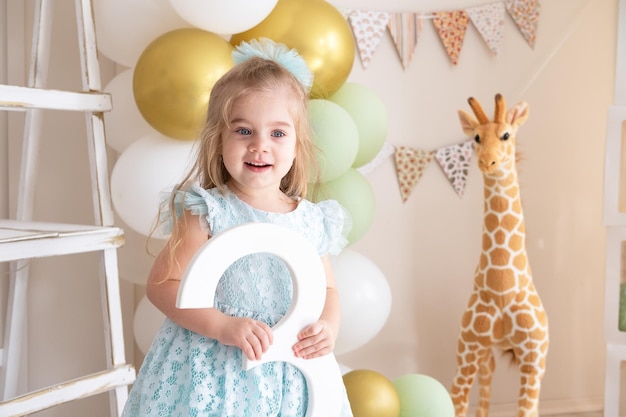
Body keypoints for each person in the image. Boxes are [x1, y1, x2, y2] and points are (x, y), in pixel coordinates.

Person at [121, 38, 354, 417]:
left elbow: (327, 288)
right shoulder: (210, 211)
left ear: (297, 145)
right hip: (216, 373)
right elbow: (162, 285)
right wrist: (223, 326)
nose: (260, 146)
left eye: (277, 134)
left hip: (288, 372)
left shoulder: (311, 219)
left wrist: (329, 325)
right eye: (244, 131)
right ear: (219, 140)